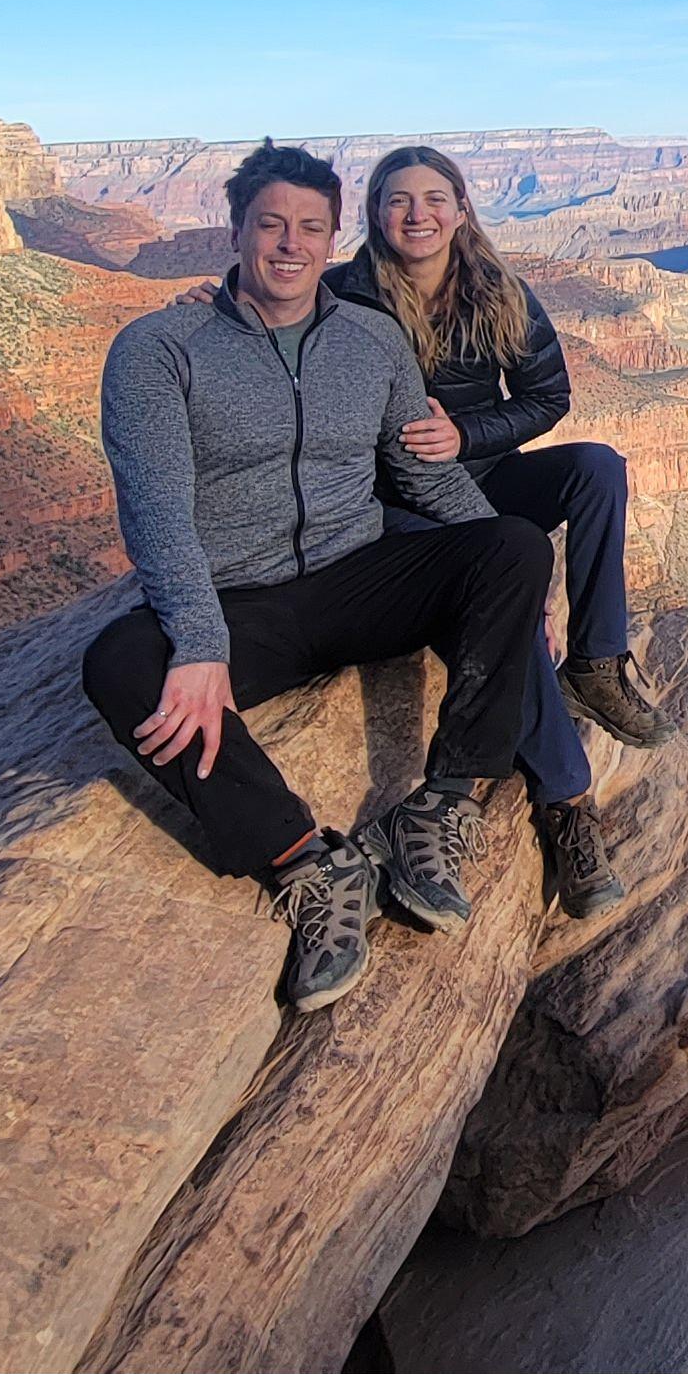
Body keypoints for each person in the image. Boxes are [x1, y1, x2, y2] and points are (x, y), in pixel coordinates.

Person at [81, 141, 553, 1014]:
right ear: (236, 231)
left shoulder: (370, 338)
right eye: (271, 225)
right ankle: (306, 862)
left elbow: (424, 474)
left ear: (335, 237)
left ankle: (440, 805)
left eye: (310, 227)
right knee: (119, 665)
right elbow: (154, 509)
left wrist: (516, 594)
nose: (290, 245)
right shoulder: (158, 349)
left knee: (516, 547)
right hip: (241, 601)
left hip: (358, 575)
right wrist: (199, 641)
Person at [328, 143, 673, 921]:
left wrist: (471, 435)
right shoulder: (344, 298)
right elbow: (268, 322)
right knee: (506, 615)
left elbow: (549, 397)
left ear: (460, 210)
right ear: (375, 215)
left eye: (433, 198)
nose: (417, 215)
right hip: (404, 510)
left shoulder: (497, 293)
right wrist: (212, 307)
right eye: (397, 200)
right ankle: (567, 806)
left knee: (597, 468)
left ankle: (597, 661)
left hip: (484, 472)